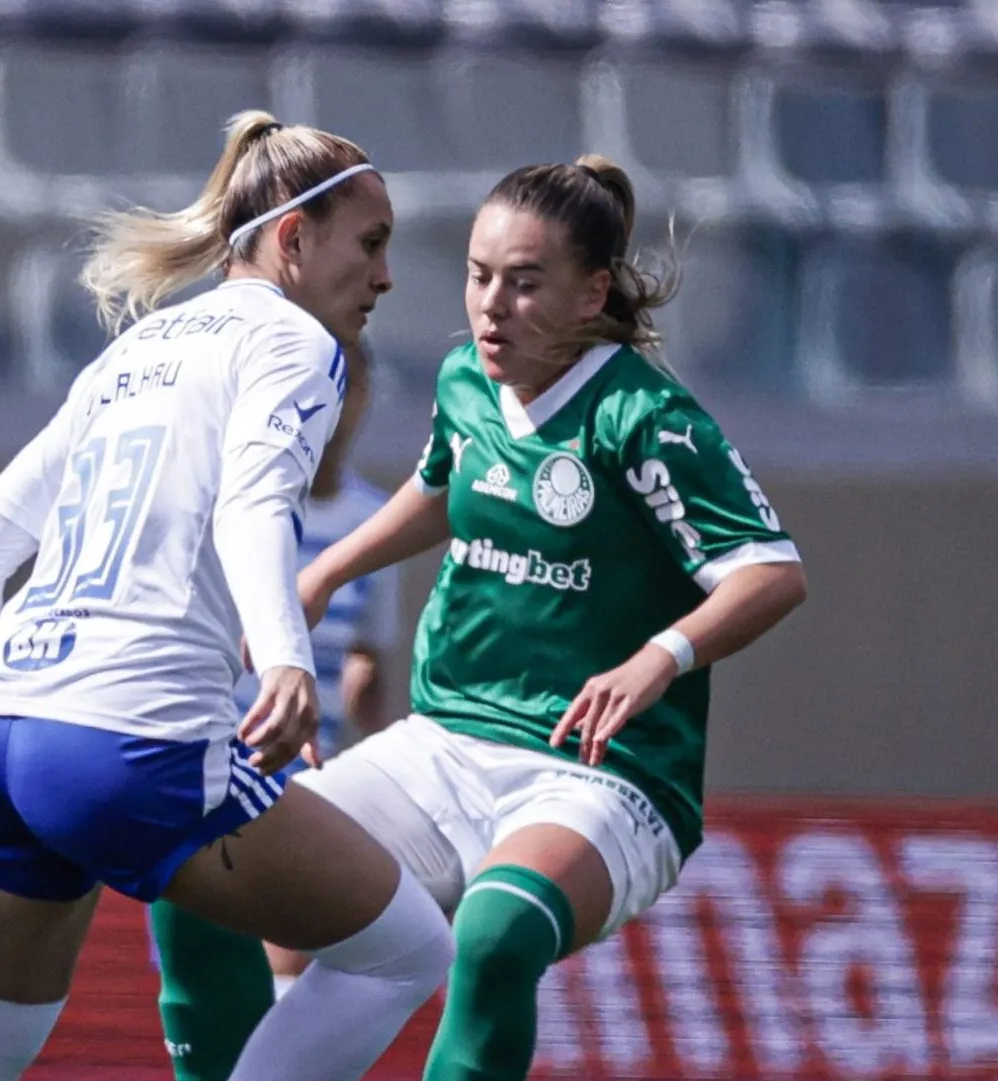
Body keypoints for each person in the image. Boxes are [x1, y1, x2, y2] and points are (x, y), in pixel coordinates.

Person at [0, 111, 453, 1081]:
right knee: (409, 948)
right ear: (293, 238)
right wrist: (283, 655)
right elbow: (252, 497)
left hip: (0, 729)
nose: (386, 276)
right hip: (133, 743)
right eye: (371, 244)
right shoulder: (292, 341)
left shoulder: (129, 354)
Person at [149, 154, 808, 1081]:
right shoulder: (467, 380)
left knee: (496, 935)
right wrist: (328, 571)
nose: (491, 304)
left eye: (526, 282)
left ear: (593, 294)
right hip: (443, 746)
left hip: (599, 774)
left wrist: (658, 657)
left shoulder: (646, 417)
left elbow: (772, 572)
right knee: (200, 864)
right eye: (479, 274)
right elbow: (446, 487)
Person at [233, 335, 402, 996]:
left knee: (287, 960)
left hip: (305, 771)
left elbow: (366, 655)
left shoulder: (377, 521)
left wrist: (385, 758)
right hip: (217, 765)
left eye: (348, 386)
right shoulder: (249, 507)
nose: (333, 406)